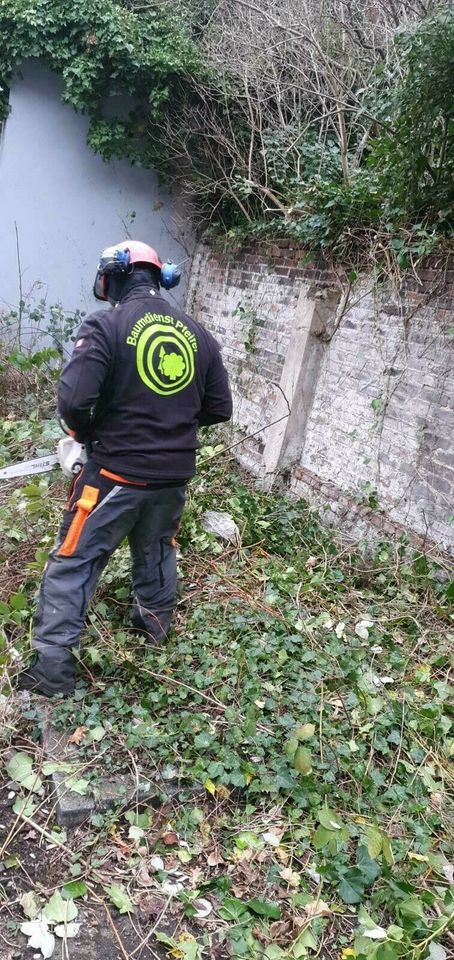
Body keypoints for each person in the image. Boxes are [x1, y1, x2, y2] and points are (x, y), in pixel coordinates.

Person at [19, 240, 232, 697]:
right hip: (173, 477)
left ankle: (52, 673)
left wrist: (87, 435)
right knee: (157, 551)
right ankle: (151, 635)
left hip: (113, 475)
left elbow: (75, 402)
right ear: (160, 277)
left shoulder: (106, 323)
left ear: (113, 275)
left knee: (73, 561)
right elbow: (218, 408)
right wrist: (168, 424)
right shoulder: (198, 332)